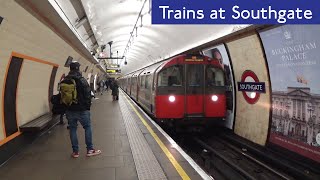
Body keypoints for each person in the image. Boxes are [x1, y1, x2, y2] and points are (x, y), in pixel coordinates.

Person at [64, 62, 101, 158]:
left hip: (69, 109)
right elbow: (88, 94)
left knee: (72, 129)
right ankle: (90, 150)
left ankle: (75, 152)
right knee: (87, 128)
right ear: (78, 69)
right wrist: (87, 107)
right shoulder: (82, 80)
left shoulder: (65, 79)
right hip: (82, 110)